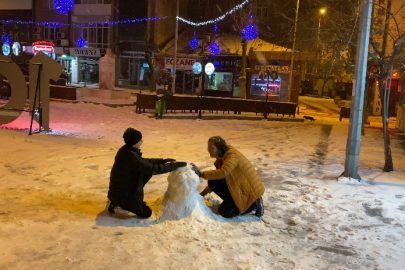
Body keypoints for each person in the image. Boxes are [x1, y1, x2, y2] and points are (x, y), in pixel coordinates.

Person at [106, 128, 187, 218]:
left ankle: (121, 200)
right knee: (146, 213)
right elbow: (151, 168)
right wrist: (173, 166)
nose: (142, 141)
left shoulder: (127, 151)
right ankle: (116, 202)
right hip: (123, 192)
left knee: (146, 172)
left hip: (122, 188)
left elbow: (143, 163)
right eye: (140, 140)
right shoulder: (130, 156)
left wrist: (162, 161)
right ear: (135, 142)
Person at [191, 136, 265, 218]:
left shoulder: (232, 155)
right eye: (208, 149)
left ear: (219, 147)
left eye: (211, 148)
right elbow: (218, 178)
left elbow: (223, 172)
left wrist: (201, 174)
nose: (209, 151)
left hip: (248, 192)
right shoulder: (221, 159)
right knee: (213, 181)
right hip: (239, 188)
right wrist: (203, 193)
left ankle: (255, 203)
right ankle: (233, 202)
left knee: (225, 212)